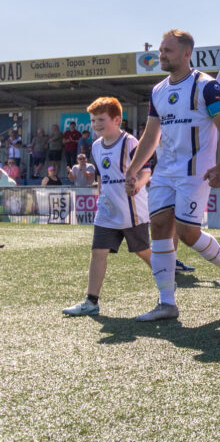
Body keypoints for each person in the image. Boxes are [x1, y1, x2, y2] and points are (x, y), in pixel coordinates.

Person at [126, 29, 220, 322]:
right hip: (164, 172)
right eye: (161, 50)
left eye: (168, 51)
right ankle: (167, 303)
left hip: (195, 173)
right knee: (160, 227)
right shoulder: (158, 91)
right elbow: (151, 134)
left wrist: (219, 166)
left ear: (187, 53)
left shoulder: (208, 87)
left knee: (187, 233)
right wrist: (133, 168)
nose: (161, 55)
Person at [62, 97, 153, 317]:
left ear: (117, 120)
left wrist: (138, 185)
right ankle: (91, 301)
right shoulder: (95, 146)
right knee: (98, 251)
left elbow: (147, 170)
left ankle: (168, 279)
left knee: (143, 252)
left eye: (101, 119)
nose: (96, 124)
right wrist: (101, 194)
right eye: (93, 120)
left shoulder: (130, 142)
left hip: (132, 211)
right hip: (107, 211)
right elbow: (102, 176)